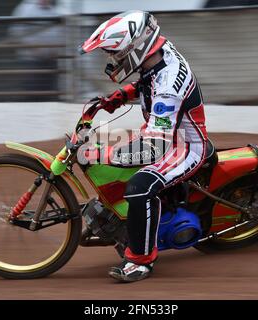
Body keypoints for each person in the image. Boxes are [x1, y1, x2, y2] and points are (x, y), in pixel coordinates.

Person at [79, 10, 208, 282]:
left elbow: (154, 148)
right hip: (164, 134)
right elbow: (149, 80)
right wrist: (121, 96)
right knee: (119, 158)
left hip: (183, 146)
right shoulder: (158, 52)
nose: (112, 61)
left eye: (115, 55)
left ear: (136, 48)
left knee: (139, 186)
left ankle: (140, 261)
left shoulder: (169, 87)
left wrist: (102, 154)